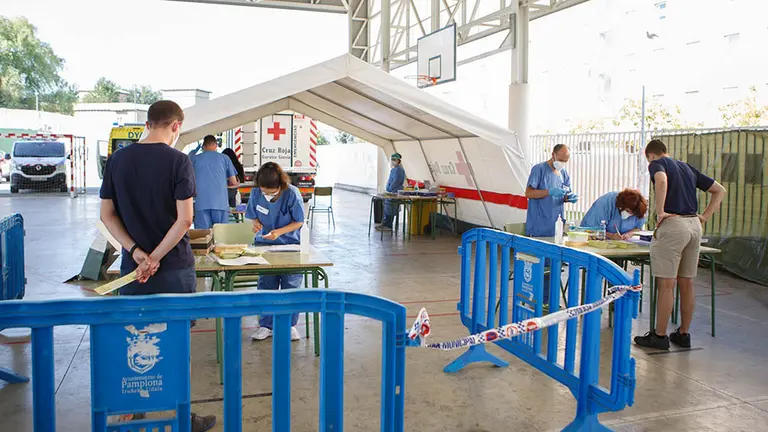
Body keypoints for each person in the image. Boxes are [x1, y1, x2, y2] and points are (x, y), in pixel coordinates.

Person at [99, 100, 216, 432]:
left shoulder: (118, 160)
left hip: (132, 271)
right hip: (174, 268)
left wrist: (137, 252)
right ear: (176, 126)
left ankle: (130, 412)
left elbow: (107, 215)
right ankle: (182, 416)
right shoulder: (179, 161)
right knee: (176, 344)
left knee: (132, 341)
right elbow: (186, 220)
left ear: (148, 123)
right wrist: (157, 257)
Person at [634, 139, 726, 350]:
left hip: (673, 225)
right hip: (694, 225)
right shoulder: (687, 167)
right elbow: (719, 190)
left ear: (651, 155)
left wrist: (660, 212)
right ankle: (683, 333)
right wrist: (704, 217)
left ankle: (659, 336)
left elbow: (661, 181)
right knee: (687, 282)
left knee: (666, 284)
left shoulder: (657, 164)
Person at [245, 162, 306, 342]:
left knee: (291, 286)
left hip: (290, 245)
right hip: (265, 245)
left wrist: (278, 232)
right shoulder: (256, 193)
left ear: (281, 185)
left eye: (272, 192)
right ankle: (266, 325)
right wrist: (255, 223)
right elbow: (252, 214)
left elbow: (299, 221)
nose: (267, 195)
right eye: (264, 191)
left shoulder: (292, 194)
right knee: (266, 285)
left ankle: (290, 325)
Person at [525, 144, 579, 236]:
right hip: (539, 225)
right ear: (553, 155)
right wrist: (549, 191)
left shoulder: (563, 173)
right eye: (561, 160)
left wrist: (569, 198)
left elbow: (564, 194)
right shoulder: (539, 169)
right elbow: (529, 193)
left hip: (557, 224)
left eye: (565, 161)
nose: (562, 163)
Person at [188, 135, 239, 229]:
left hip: (201, 203)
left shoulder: (194, 159)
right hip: (220, 203)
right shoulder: (225, 158)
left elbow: (188, 179)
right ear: (216, 145)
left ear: (203, 146)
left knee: (202, 238)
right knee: (220, 236)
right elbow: (234, 181)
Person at [580, 189, 648, 239]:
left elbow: (638, 227)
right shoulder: (606, 203)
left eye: (633, 214)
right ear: (621, 206)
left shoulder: (639, 209)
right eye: (628, 211)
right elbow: (589, 229)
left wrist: (629, 234)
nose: (630, 215)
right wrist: (611, 236)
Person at [375, 153, 406, 232]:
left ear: (399, 161)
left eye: (394, 160)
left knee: (391, 209)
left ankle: (388, 225)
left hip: (394, 192)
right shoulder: (394, 169)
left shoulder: (399, 170)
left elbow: (396, 182)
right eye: (392, 160)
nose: (393, 161)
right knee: (387, 208)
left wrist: (390, 189)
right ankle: (385, 224)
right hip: (391, 192)